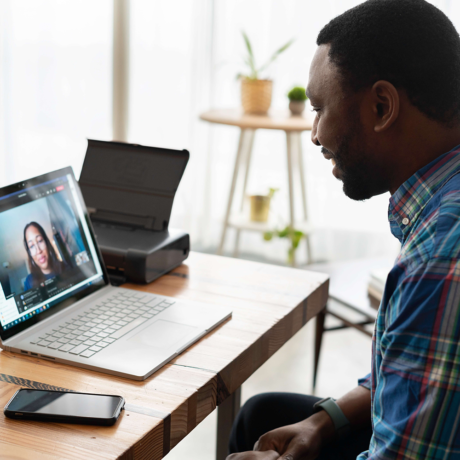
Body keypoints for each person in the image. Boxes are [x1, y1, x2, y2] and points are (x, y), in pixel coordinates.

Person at [227, 0, 460, 459]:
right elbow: (412, 371)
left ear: (381, 106)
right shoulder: (439, 202)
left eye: (320, 108)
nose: (315, 133)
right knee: (264, 414)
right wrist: (323, 422)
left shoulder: (441, 256)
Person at [23, 222, 66, 290]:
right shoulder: (29, 282)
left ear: (46, 242)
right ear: (30, 253)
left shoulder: (65, 266)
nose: (38, 251)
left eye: (40, 241)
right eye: (31, 246)